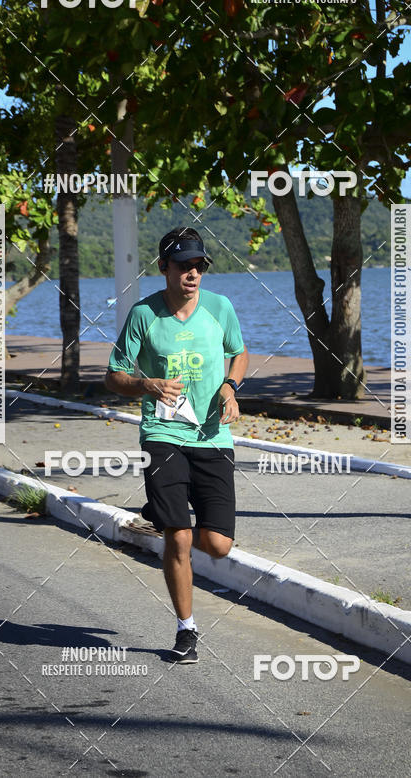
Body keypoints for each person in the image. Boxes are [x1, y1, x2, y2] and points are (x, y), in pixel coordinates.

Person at [105, 227, 248, 664]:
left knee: (219, 544)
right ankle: (187, 630)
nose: (192, 272)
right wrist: (145, 384)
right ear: (164, 267)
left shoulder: (220, 308)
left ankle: (160, 515)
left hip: (212, 437)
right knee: (180, 536)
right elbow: (113, 375)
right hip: (163, 434)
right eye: (183, 264)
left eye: (199, 265)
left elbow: (238, 352)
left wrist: (229, 386)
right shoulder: (144, 315)